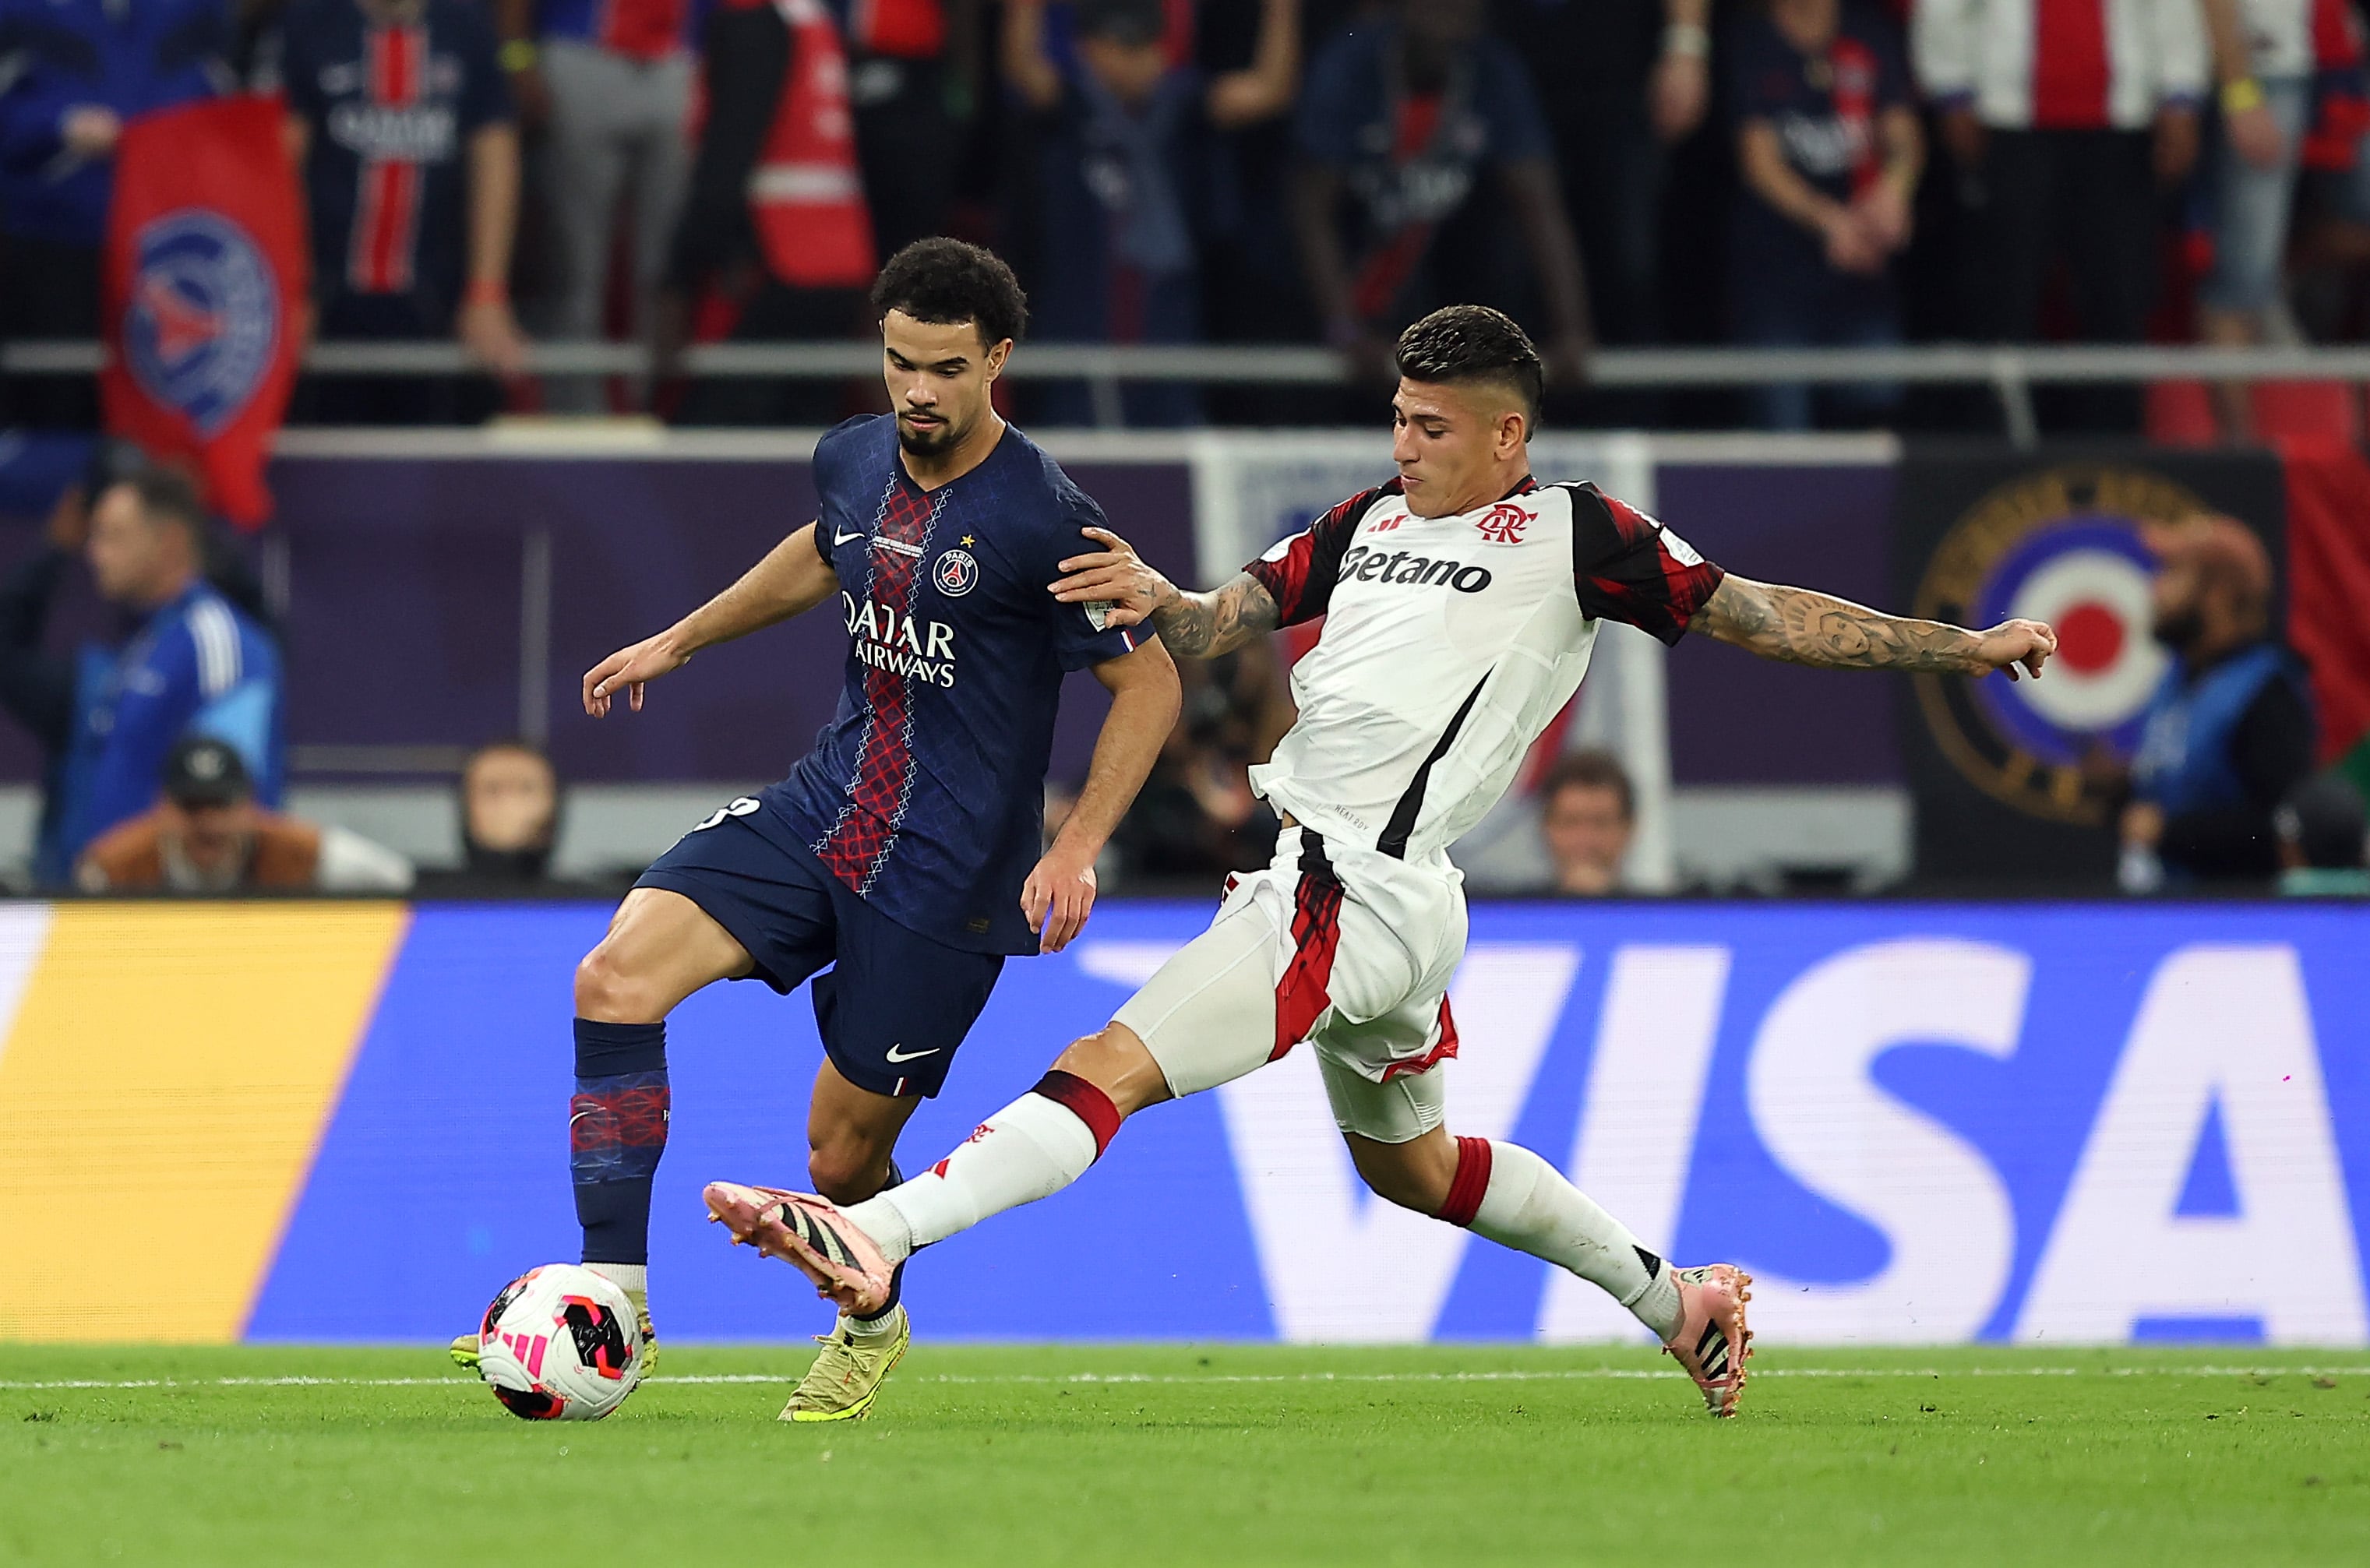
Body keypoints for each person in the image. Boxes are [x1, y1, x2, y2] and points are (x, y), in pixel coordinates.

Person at [703, 303, 2058, 1420]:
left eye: (1431, 425)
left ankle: (881, 1237)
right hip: (1390, 899)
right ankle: (1678, 1298)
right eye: (1398, 419)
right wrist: (1154, 598)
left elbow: (1767, 617)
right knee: (1412, 1171)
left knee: (1107, 1068)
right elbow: (1219, 620)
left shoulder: (1579, 537)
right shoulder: (1366, 524)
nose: (1403, 443)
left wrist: (1962, 643)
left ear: (1505, 434)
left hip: (1345, 886)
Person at [449, 240, 1182, 1424]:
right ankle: (617, 1294)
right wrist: (678, 641)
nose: (917, 391)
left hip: (945, 884)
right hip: (820, 811)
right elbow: (821, 552)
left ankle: (870, 1316)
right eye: (899, 361)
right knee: (615, 976)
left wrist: (1075, 843)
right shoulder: (849, 456)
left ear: (997, 359)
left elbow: (1148, 689)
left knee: (839, 1164)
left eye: (946, 367)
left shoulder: (1049, 519)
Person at [1001, 0, 1299, 426]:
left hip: (1166, 328)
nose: (1142, 61)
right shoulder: (1070, 106)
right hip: (1079, 327)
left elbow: (1270, 90)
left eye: (1149, 46)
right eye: (1124, 46)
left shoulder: (1181, 107)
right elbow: (1022, 67)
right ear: (1086, 47)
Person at [1913, 0, 2206, 432]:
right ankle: (1994, 444)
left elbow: (2172, 9)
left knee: (2118, 295)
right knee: (2004, 294)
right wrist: (1953, 90)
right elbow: (1943, 9)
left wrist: (2180, 96)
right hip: (2010, 118)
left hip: (2120, 119)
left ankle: (2118, 449)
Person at [1290, 0, 1594, 389]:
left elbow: (1539, 206)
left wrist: (1572, 328)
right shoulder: (1348, 67)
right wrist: (1344, 328)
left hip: (1412, 287)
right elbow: (1311, 212)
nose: (1448, 22)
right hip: (1304, 290)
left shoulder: (1494, 71)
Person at [280, 0, 530, 425]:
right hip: (328, 299)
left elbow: (494, 157)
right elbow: (281, 165)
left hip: (436, 301)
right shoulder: (310, 22)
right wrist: (288, 289)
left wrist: (487, 294)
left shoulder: (466, 25)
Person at [42, 468, 284, 888]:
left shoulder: (215, 642)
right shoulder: (145, 643)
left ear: (169, 541)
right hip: (102, 905)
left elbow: (227, 806)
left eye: (113, 536)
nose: (94, 552)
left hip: (172, 922)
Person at [0, 0, 231, 431]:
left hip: (171, 245)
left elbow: (231, 106)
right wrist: (60, 125)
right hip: (54, 244)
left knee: (160, 413)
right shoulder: (21, 9)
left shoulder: (199, 9)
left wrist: (174, 134)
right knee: (55, 405)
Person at [661, 0, 878, 427]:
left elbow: (726, 159)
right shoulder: (814, 20)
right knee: (799, 446)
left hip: (777, 259)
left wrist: (678, 282)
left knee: (713, 452)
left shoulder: (752, 22)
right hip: (839, 261)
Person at [1729, 0, 1923, 432]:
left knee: (1876, 422)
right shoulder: (1752, 42)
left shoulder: (1870, 33)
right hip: (1777, 277)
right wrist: (1830, 223)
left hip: (1864, 276)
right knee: (1784, 432)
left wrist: (1893, 193)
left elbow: (1903, 136)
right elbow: (1757, 161)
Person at [498, 0, 697, 413]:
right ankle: (574, 420)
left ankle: (657, 415)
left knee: (666, 270)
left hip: (678, 56)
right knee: (576, 263)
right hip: (581, 51)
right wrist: (518, 60)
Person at [1494, 0, 1712, 358]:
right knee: (1507, 265)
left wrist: (1686, 48)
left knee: (1630, 266)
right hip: (1510, 52)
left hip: (1618, 65)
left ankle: (1632, 408)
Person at [2120, 515, 2316, 892]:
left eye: (2174, 573)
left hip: (2239, 920)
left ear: (2219, 593)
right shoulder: (2176, 681)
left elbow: (2281, 824)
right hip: (2167, 910)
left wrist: (2168, 832)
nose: (2156, 588)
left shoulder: (2264, 692)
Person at [75, 735, 412, 893]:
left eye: (221, 805)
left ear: (250, 806)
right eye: (191, 806)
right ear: (162, 808)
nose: (207, 823)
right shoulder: (118, 866)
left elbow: (397, 877)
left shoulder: (295, 851)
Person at [411, 739, 611, 896]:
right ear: (466, 807)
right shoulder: (413, 904)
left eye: (525, 789)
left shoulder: (597, 905)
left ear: (555, 805)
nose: (509, 804)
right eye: (493, 790)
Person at [1539, 749, 1635, 896]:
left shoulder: (1666, 913)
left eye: (1601, 823)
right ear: (1547, 827)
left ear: (1628, 828)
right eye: (1570, 822)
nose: (1585, 840)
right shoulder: (1509, 912)